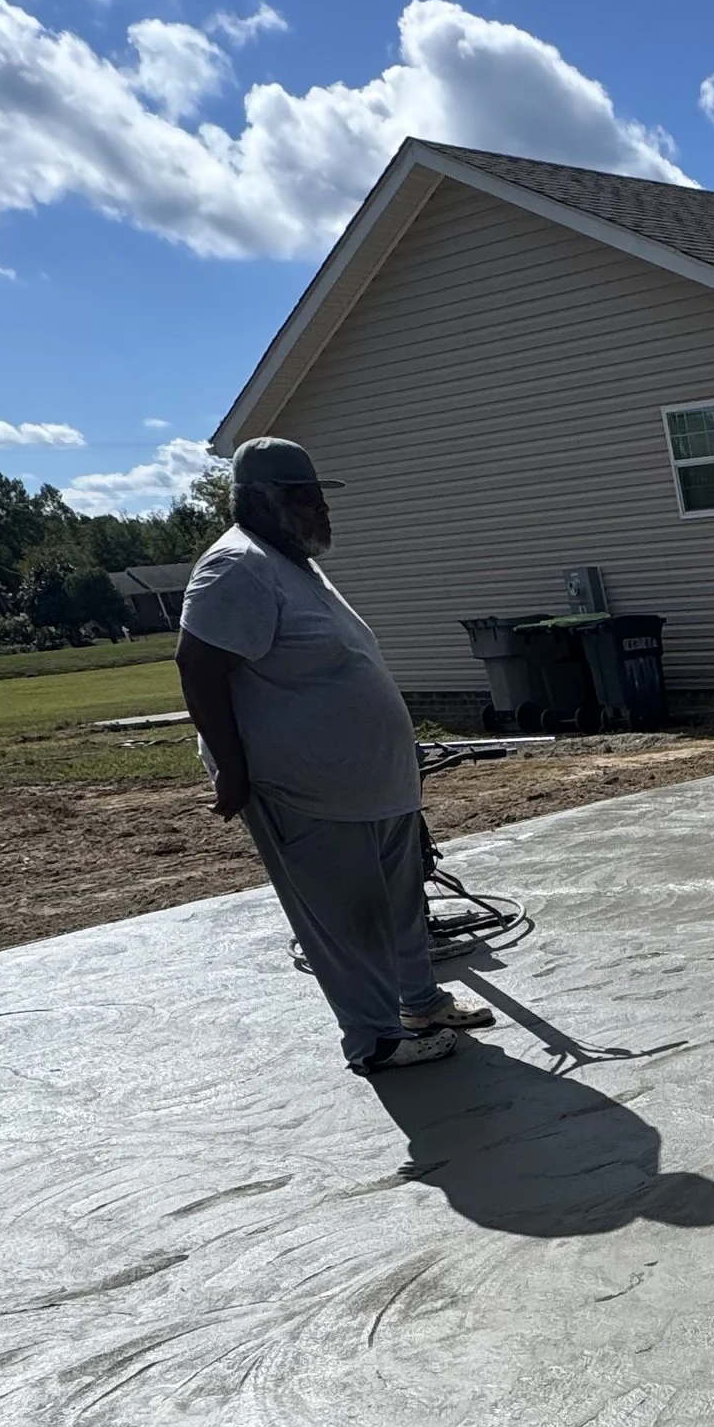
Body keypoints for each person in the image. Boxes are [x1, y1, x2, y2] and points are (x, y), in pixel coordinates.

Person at [176, 438, 490, 1072]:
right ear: (259, 503)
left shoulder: (291, 562)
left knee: (398, 905)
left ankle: (420, 1003)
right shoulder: (237, 566)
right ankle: (375, 1037)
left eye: (321, 497)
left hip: (375, 786)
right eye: (305, 499)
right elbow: (199, 665)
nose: (323, 510)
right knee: (346, 920)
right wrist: (232, 772)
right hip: (306, 790)